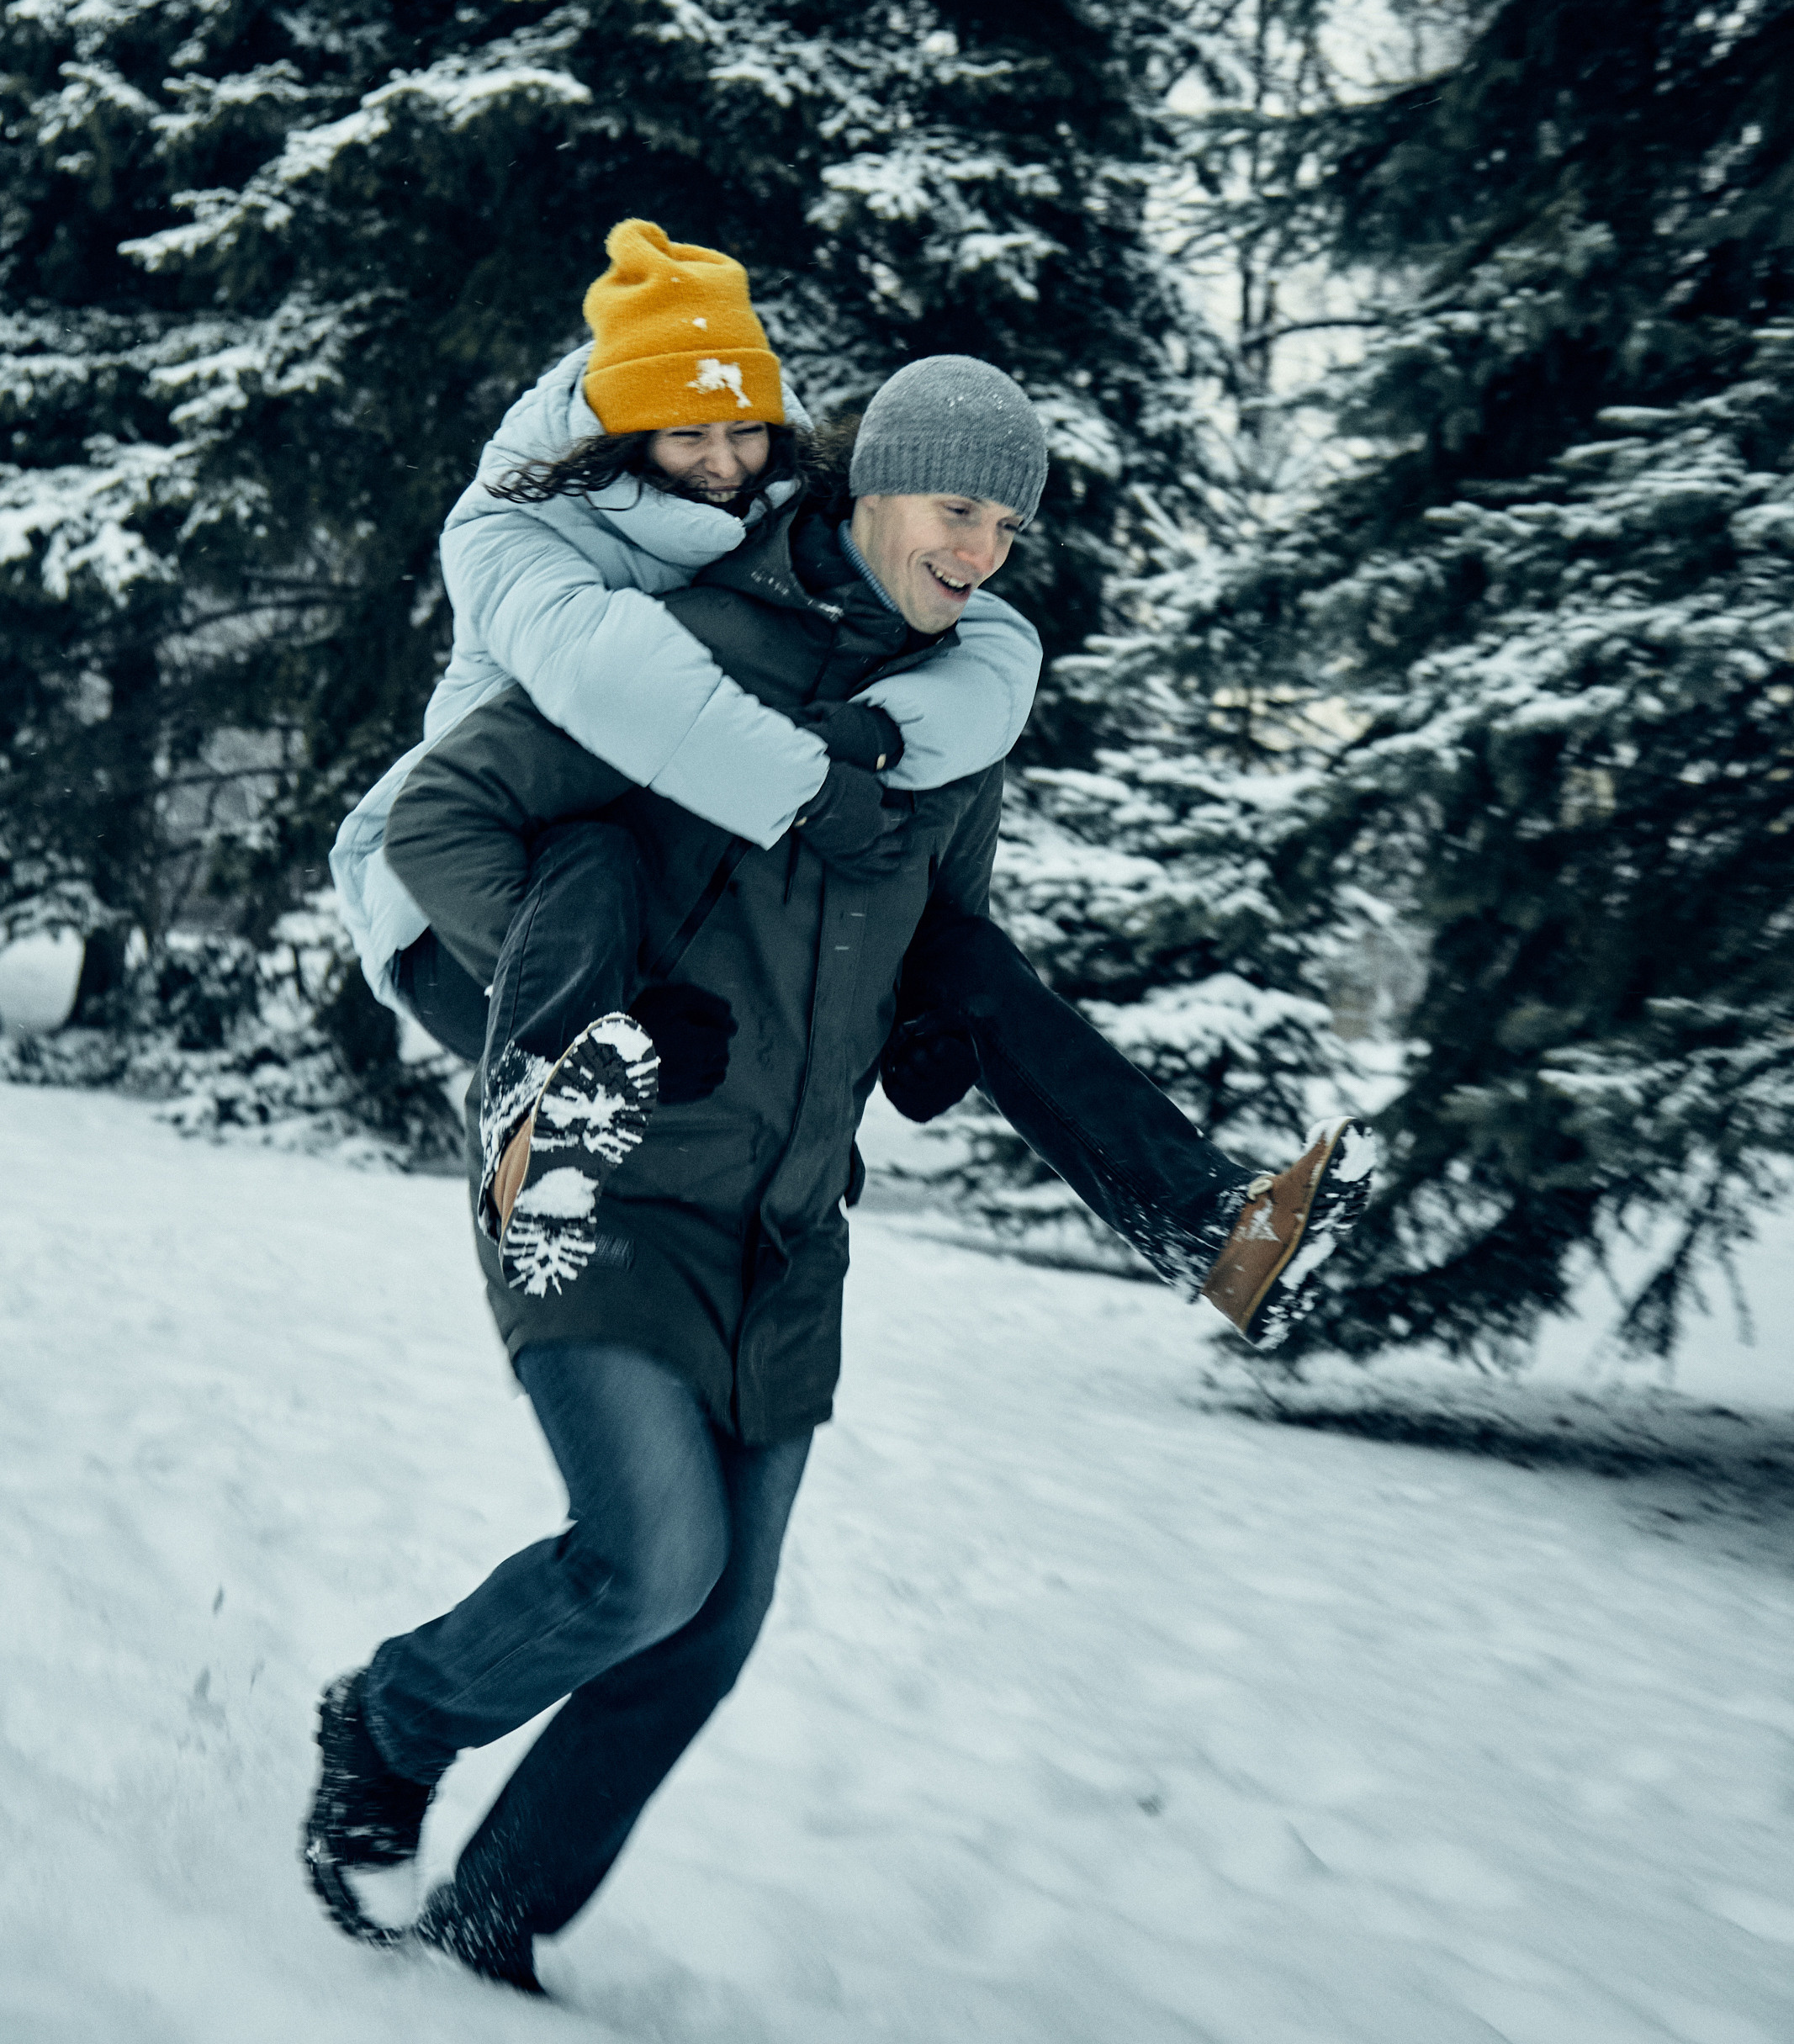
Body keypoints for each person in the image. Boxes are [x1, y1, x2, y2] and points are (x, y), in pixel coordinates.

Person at [301, 352, 1373, 1993]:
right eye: (958, 510)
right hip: (600, 1175)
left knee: (706, 1628)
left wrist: (927, 1031)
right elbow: (442, 820)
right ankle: (385, 1718)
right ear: (873, 485)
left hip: (788, 1222)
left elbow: (944, 929)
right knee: (646, 1559)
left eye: (1008, 526)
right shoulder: (675, 651)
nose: (982, 551)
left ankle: (487, 1924)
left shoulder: (956, 713)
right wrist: (571, 1012)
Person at [329, 217, 1043, 1054]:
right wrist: (810, 785)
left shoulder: (774, 500)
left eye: (745, 429)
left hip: (633, 881)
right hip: (464, 880)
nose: (727, 463)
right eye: (688, 435)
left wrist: (880, 730)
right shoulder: (513, 528)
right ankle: (562, 1088)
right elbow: (620, 683)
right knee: (588, 858)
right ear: (627, 438)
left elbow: (985, 634)